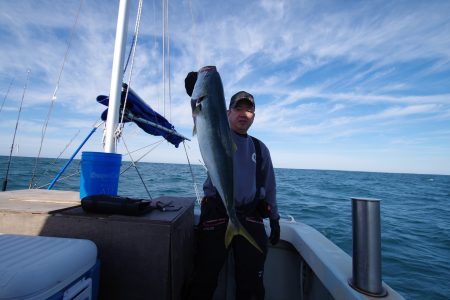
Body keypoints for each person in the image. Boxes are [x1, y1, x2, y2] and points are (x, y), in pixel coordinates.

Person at [184, 72, 280, 300]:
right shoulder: (215, 131)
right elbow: (202, 113)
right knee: (203, 278)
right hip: (217, 211)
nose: (243, 114)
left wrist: (274, 218)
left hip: (250, 216)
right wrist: (194, 93)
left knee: (252, 285)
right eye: (238, 108)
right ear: (228, 112)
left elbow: (270, 185)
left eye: (249, 110)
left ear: (254, 116)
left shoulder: (260, 148)